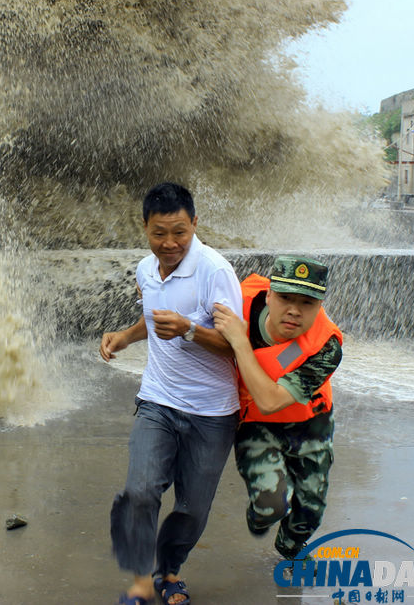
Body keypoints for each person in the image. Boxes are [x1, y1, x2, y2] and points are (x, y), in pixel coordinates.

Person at [99, 182, 243, 605]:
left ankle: (169, 570)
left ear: (195, 224)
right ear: (144, 227)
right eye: (159, 233)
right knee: (139, 492)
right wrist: (125, 337)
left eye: (179, 232)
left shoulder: (216, 271)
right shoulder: (146, 269)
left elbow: (237, 345)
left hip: (212, 412)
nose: (170, 243)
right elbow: (153, 316)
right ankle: (141, 580)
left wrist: (190, 330)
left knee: (192, 509)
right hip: (158, 401)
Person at [212, 256, 342, 564]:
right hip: (257, 422)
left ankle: (290, 546)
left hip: (311, 423)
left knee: (311, 509)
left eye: (307, 303)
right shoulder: (239, 300)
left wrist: (240, 344)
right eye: (285, 297)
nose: (294, 310)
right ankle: (261, 514)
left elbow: (272, 400)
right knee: (270, 506)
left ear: (320, 305)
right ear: (269, 293)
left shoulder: (326, 345)